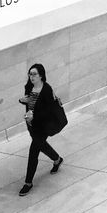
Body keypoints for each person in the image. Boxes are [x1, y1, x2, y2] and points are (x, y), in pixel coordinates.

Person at [18, 63, 64, 195]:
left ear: (41, 75)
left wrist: (34, 115)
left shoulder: (46, 89)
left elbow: (48, 111)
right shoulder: (29, 87)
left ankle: (28, 182)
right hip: (31, 124)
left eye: (34, 74)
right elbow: (30, 102)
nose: (31, 77)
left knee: (34, 151)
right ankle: (57, 159)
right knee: (41, 145)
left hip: (43, 125)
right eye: (30, 74)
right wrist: (23, 101)